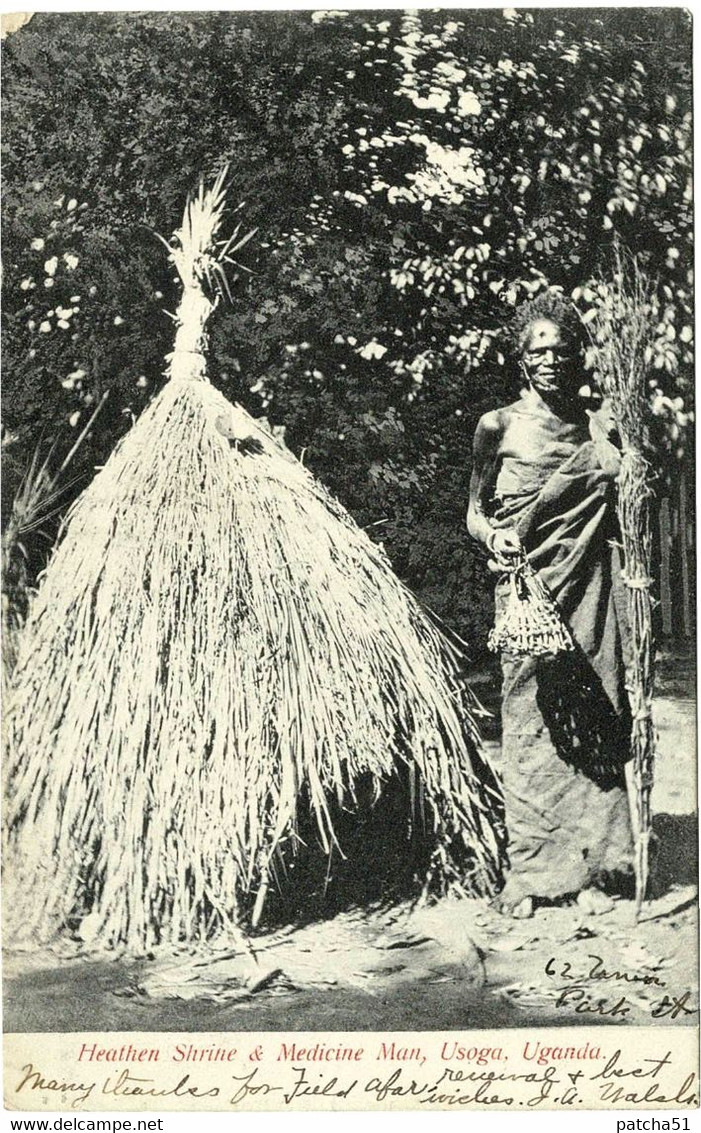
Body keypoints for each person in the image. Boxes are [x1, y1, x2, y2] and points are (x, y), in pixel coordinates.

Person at [467, 290, 634, 918]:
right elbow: (474, 513)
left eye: (563, 350)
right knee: (530, 721)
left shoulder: (598, 427)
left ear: (578, 357)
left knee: (598, 711)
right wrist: (495, 535)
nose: (552, 361)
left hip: (591, 588)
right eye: (540, 350)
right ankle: (532, 873)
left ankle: (598, 868)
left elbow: (624, 495)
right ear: (521, 357)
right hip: (526, 593)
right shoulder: (497, 426)